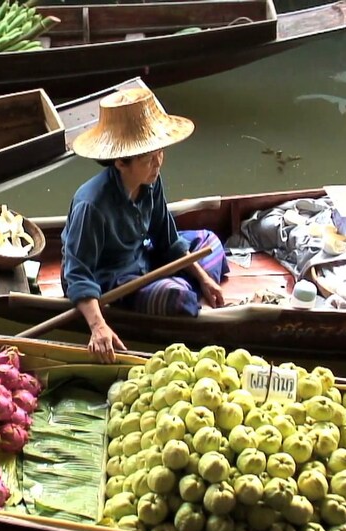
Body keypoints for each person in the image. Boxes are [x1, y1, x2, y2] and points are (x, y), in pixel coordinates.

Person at [61, 87, 230, 364]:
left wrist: (204, 278)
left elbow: (167, 239)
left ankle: (188, 282)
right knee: (176, 297)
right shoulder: (91, 205)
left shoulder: (150, 182)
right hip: (113, 281)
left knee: (209, 241)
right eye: (147, 159)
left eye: (159, 152)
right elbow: (76, 275)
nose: (158, 163)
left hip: (144, 257)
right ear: (120, 162)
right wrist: (98, 326)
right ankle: (178, 287)